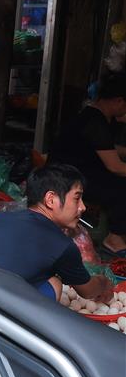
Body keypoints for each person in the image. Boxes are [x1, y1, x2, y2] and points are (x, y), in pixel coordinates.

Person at [0, 164, 114, 303]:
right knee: (55, 283)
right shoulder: (62, 245)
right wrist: (104, 283)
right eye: (77, 198)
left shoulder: (2, 217)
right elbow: (87, 291)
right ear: (51, 200)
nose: (82, 207)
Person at [50, 72, 126, 257]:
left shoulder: (99, 116)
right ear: (118, 101)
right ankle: (114, 239)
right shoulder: (94, 121)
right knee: (121, 184)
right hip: (65, 176)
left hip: (77, 170)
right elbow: (115, 166)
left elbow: (108, 148)